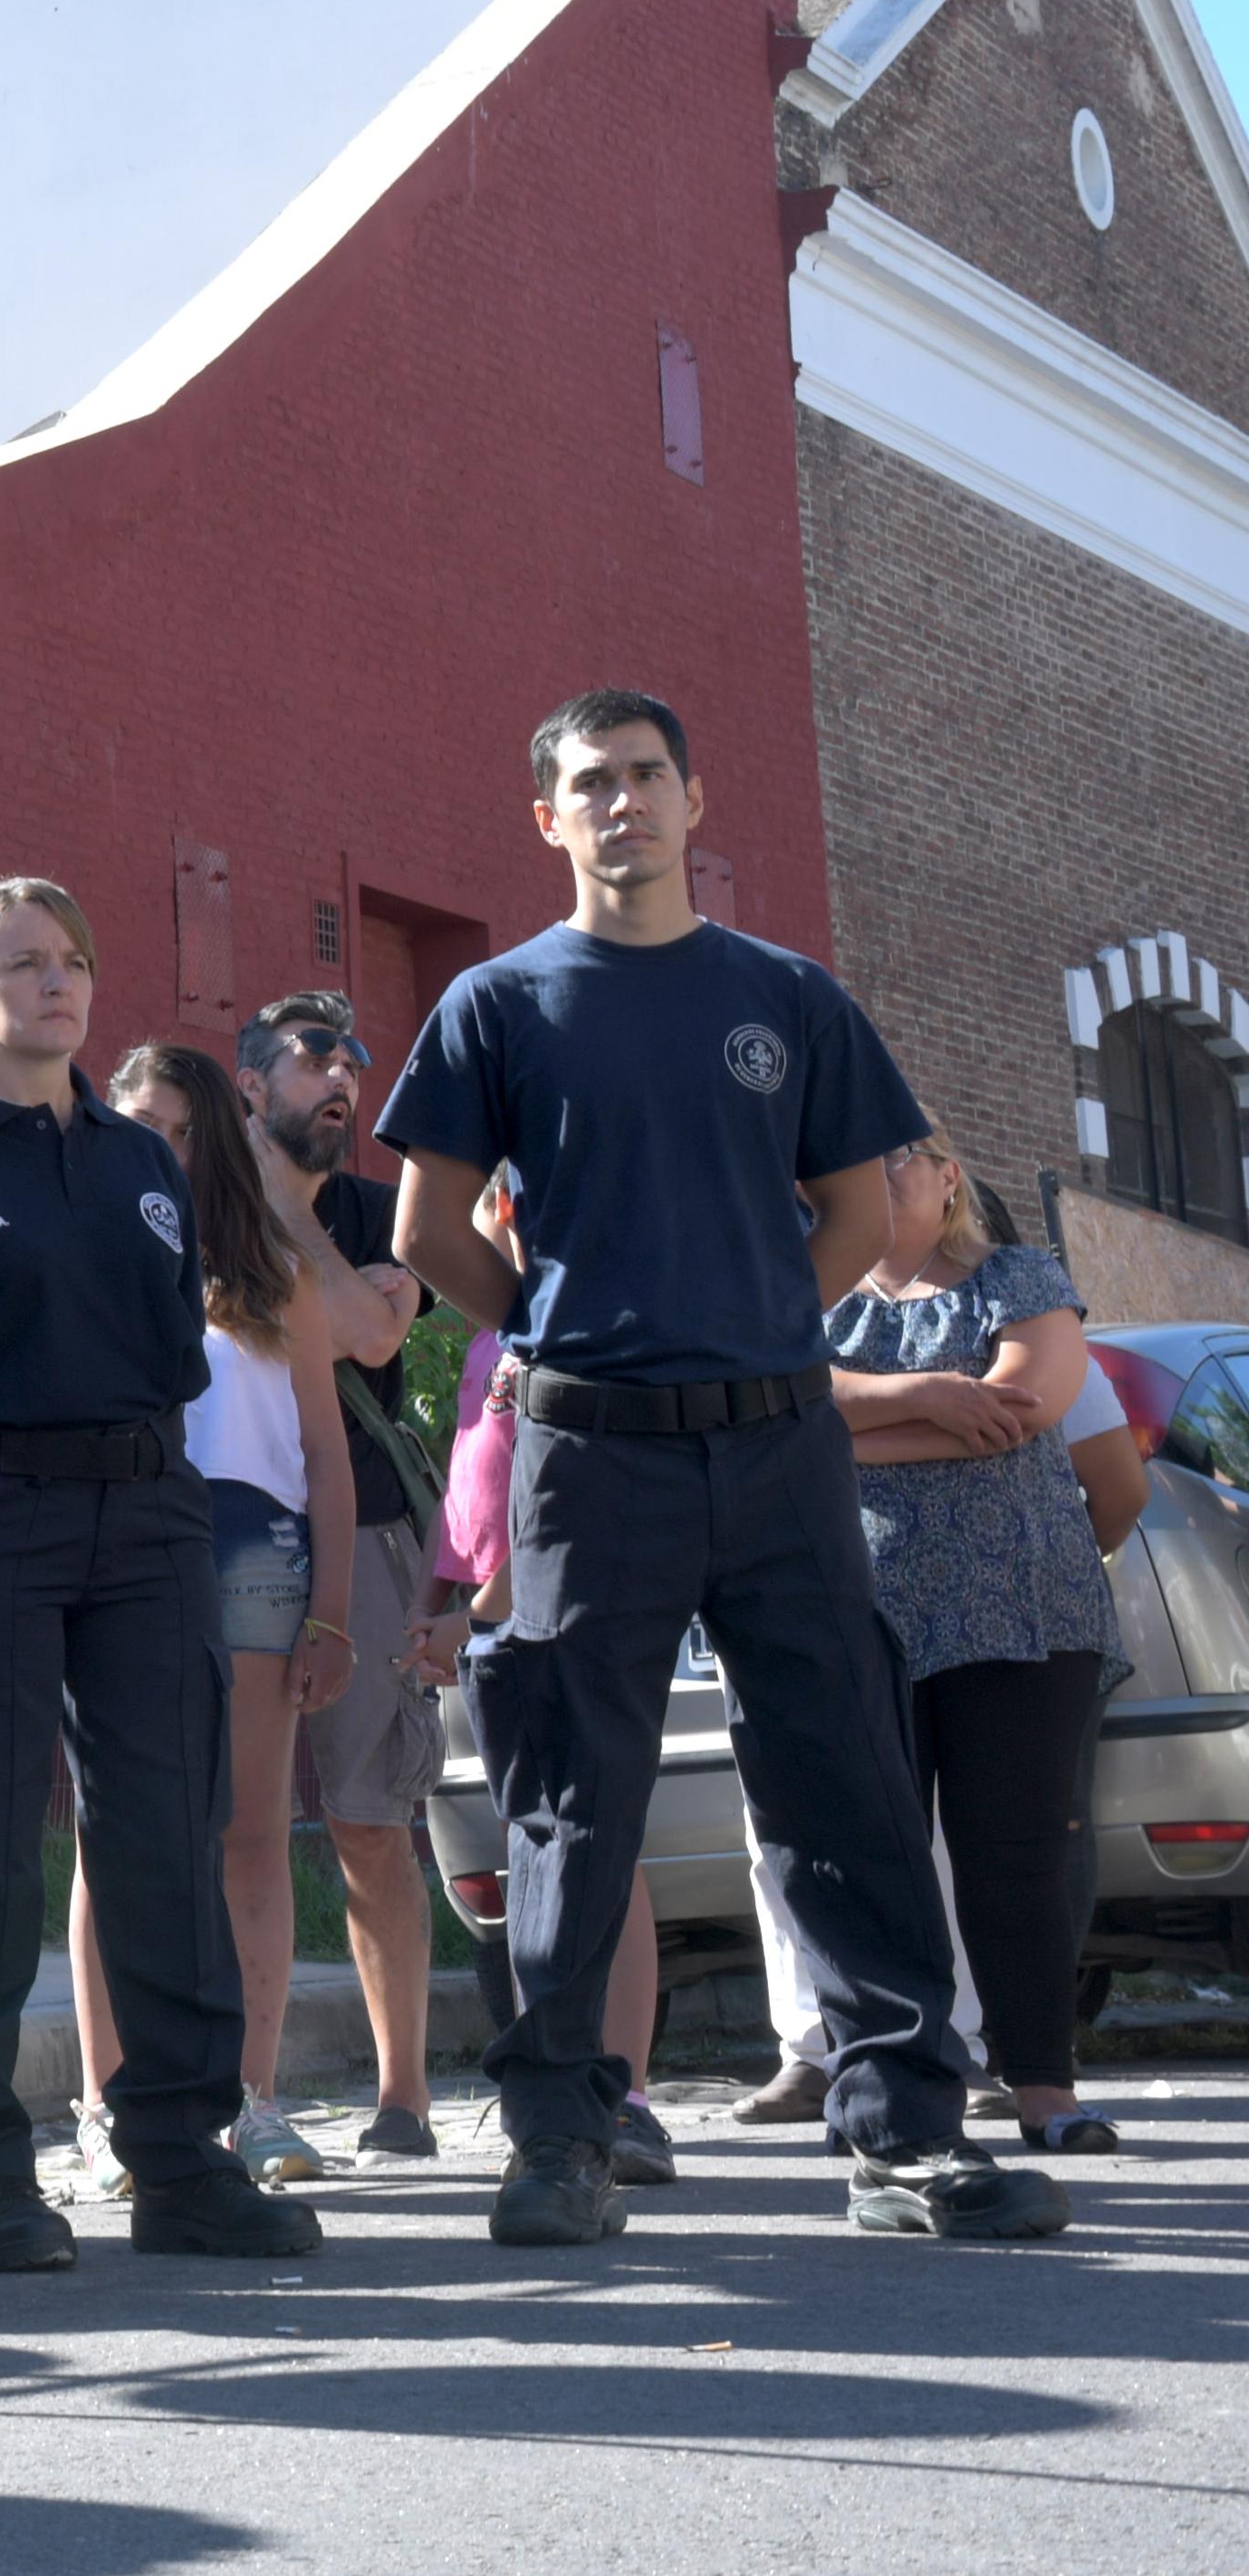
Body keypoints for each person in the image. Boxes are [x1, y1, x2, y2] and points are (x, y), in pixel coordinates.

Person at [382, 686, 1058, 2243]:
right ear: (545, 818)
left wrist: (750, 1327)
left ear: (693, 801)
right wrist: (565, 1339)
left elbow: (858, 1215)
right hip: (585, 1457)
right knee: (566, 1795)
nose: (619, 804)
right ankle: (557, 2132)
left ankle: (900, 2130)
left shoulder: (787, 996)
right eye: (586, 784)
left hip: (775, 1447)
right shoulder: (493, 1004)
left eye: (642, 777)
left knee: (841, 1770)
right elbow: (427, 1235)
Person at [0, 879, 321, 2272]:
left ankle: (177, 2161)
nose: (57, 984)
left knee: (167, 1831)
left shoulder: (138, 1161)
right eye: (23, 964)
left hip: (151, 1511)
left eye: (74, 963)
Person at [75, 1045, 360, 2197]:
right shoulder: (88, 1245)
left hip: (253, 1546)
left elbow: (328, 1456)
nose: (166, 1145)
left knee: (246, 1830)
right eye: (144, 1122)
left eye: (187, 1127)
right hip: (122, 1538)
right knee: (120, 1829)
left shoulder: (272, 1267)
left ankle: (249, 2098)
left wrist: (334, 1613)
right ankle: (106, 2109)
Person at [829, 1129, 1130, 2155]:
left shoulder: (1018, 1272)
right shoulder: (806, 1300)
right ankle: (901, 2096)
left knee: (1016, 1859)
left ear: (949, 1173)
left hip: (1024, 1608)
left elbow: (1025, 1404)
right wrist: (928, 1398)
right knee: (880, 1860)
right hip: (865, 1611)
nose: (875, 1175)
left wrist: (860, 1427)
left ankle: (1044, 2088)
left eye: (896, 1154)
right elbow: (782, 1411)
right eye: (850, 1163)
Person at [240, 992, 452, 2165]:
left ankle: (403, 2098)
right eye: (313, 1056)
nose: (341, 1076)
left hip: (366, 1535)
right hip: (230, 1540)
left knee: (371, 1823)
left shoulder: (377, 1210)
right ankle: (248, 2094)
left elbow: (371, 1332)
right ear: (247, 1087)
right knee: (244, 1827)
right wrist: (258, 1208)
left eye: (353, 1061)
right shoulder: (204, 1216)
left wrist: (292, 1214)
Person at [428, 1182, 672, 2179]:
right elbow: (476, 1481)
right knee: (534, 1855)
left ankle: (629, 2095)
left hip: (558, 1608)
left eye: (509, 1193)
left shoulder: (574, 1330)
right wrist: (439, 1587)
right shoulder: (495, 1337)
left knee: (604, 1847)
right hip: (492, 1625)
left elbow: (559, 1496)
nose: (492, 1208)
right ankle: (553, 2084)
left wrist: (470, 1606)